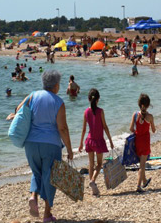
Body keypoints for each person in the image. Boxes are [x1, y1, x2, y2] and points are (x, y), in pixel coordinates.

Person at [15, 70, 73, 221]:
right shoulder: (59, 102)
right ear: (55, 85)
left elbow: (18, 110)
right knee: (50, 177)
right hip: (51, 145)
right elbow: (62, 128)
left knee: (37, 173)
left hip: (31, 143)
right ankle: (47, 214)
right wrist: (69, 148)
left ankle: (33, 196)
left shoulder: (32, 95)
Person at [78, 89, 114, 196]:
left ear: (89, 99)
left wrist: (80, 143)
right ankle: (92, 181)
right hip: (98, 141)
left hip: (89, 140)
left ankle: (92, 187)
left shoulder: (86, 112)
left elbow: (84, 129)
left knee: (91, 164)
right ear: (98, 99)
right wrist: (110, 140)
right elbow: (105, 127)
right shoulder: (101, 111)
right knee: (99, 164)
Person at [130, 94, 156, 193]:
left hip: (137, 141)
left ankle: (144, 181)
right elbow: (153, 130)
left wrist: (137, 132)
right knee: (142, 165)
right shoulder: (150, 117)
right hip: (145, 142)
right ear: (148, 105)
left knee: (141, 162)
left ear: (139, 104)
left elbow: (131, 128)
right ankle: (138, 186)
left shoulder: (135, 114)